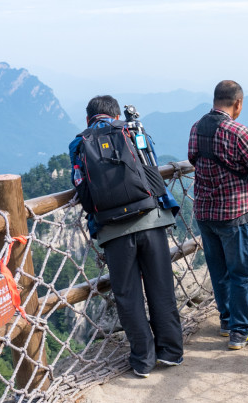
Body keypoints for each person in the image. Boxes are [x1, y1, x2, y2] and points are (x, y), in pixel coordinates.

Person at [69, 95, 184, 377]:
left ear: (88, 119)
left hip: (112, 228)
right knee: (161, 287)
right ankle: (170, 352)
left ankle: (143, 360)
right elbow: (151, 163)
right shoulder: (133, 130)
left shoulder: (78, 143)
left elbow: (79, 183)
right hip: (150, 219)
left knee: (128, 295)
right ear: (116, 114)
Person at [188, 81, 248, 349]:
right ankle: (239, 332)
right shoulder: (238, 133)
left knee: (218, 270)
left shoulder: (197, 127)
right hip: (234, 214)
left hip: (204, 212)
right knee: (241, 273)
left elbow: (193, 159)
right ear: (237, 104)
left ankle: (226, 322)